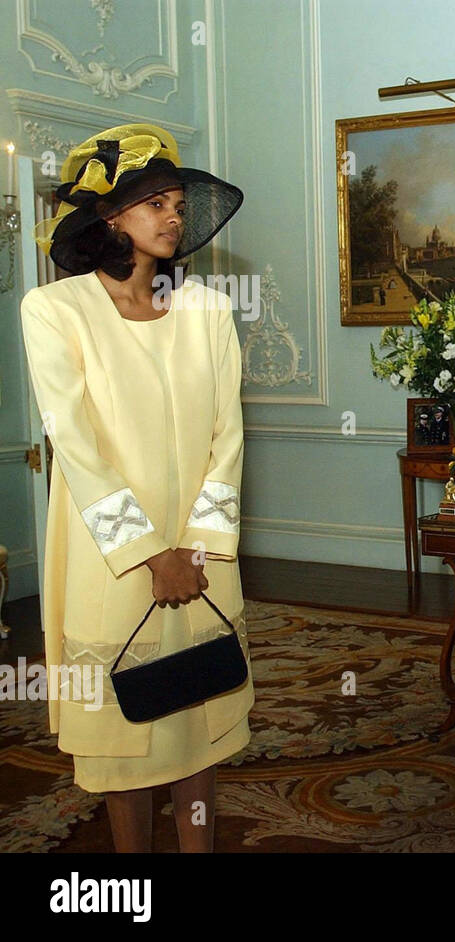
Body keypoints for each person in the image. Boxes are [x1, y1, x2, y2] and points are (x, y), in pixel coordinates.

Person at [21, 124, 250, 853]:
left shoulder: (209, 311)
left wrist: (198, 546)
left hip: (201, 551)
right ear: (109, 217)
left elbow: (229, 439)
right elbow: (77, 448)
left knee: (199, 712)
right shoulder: (54, 311)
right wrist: (152, 553)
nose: (174, 215)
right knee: (128, 732)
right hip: (110, 553)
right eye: (155, 202)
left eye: (178, 202)